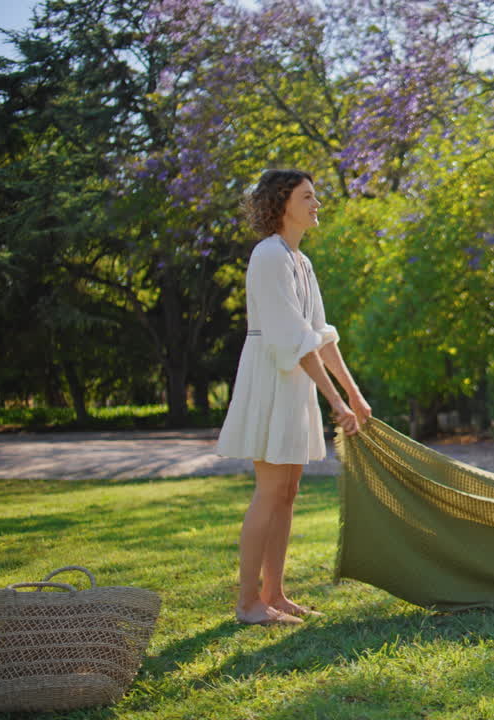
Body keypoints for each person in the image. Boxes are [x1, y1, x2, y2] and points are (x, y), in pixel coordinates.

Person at [217, 169, 373, 624]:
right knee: (269, 491)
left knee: (288, 489)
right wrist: (335, 403)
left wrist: (354, 395)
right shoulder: (269, 255)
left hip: (295, 379)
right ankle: (248, 604)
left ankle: (275, 594)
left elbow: (321, 337)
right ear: (283, 203)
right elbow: (290, 338)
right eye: (308, 196)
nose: (317, 203)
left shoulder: (301, 261)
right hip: (271, 375)